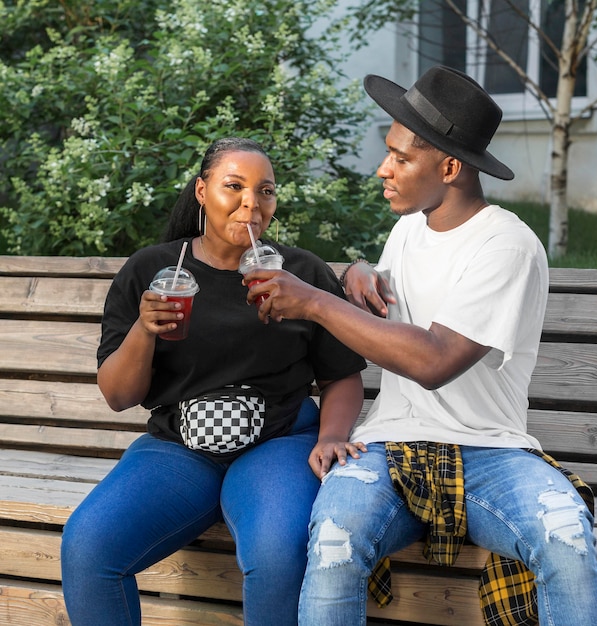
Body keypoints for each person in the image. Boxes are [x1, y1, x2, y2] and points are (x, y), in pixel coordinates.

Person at [242, 67, 597, 625]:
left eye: (400, 159)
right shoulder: (411, 226)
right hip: (389, 447)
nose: (382, 170)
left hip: (490, 452)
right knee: (334, 543)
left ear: (450, 167)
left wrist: (316, 301)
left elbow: (433, 361)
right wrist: (360, 272)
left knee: (566, 537)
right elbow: (392, 301)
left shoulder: (507, 246)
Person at [60, 137, 367, 626]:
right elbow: (118, 396)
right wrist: (144, 327)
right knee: (88, 546)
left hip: (277, 444)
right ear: (202, 191)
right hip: (179, 452)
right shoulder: (152, 270)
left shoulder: (298, 273)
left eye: (265, 191)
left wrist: (331, 436)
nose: (252, 203)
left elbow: (341, 376)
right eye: (234, 186)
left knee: (277, 552)